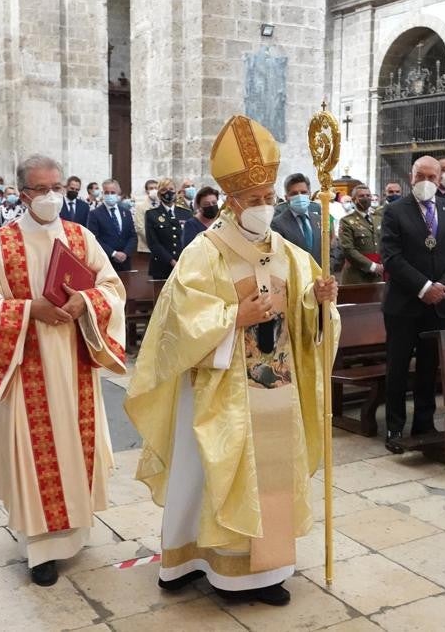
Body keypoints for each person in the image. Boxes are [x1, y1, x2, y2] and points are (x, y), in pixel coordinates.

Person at [126, 115, 337, 607]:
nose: (264, 206)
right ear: (231, 200)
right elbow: (179, 318)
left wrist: (319, 301)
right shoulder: (206, 251)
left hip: (276, 385)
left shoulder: (287, 251)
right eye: (254, 198)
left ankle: (265, 572)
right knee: (204, 472)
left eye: (269, 197)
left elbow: (308, 314)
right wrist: (234, 316)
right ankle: (188, 560)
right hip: (220, 385)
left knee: (273, 475)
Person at [0, 154, 126, 587]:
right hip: (26, 366)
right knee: (35, 458)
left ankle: (74, 533)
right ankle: (40, 549)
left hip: (74, 366)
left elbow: (112, 287)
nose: (53, 196)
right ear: (23, 194)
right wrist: (28, 310)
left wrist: (85, 303)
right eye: (42, 189)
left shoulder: (79, 236)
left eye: (58, 187)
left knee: (74, 447)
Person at [380, 156, 445, 448]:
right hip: (404, 304)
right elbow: (392, 257)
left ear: (440, 178)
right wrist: (424, 287)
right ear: (411, 177)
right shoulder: (395, 211)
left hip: (438, 303)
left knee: (429, 366)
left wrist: (442, 286)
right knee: (398, 365)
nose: (428, 182)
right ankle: (394, 427)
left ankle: (424, 423)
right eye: (423, 176)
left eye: (434, 177)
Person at [144, 178, 192, 279]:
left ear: (176, 191)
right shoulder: (152, 214)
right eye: (164, 190)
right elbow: (153, 243)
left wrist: (182, 261)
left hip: (184, 265)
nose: (168, 192)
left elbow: (191, 240)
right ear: (159, 194)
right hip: (162, 267)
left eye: (171, 189)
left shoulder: (186, 213)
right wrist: (171, 261)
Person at [270, 173, 323, 265]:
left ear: (309, 194)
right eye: (294, 193)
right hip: (295, 276)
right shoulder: (277, 224)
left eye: (303, 192)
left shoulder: (319, 220)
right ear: (287, 198)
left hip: (321, 275)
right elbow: (279, 256)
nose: (299, 196)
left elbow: (330, 247)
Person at [87, 179, 136, 271]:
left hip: (125, 262)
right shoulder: (95, 214)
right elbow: (94, 238)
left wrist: (125, 253)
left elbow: (132, 236)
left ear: (118, 193)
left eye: (112, 192)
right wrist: (113, 253)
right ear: (103, 193)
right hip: (106, 261)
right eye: (107, 192)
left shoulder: (126, 212)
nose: (109, 195)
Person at [338, 183, 383, 283]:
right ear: (354, 200)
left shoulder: (377, 219)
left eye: (368, 195)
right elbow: (348, 249)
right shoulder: (347, 221)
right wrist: (372, 266)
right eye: (361, 196)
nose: (366, 198)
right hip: (357, 275)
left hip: (378, 274)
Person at [133, 178, 159, 255]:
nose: (154, 190)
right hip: (146, 247)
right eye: (151, 188)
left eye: (156, 188)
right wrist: (154, 241)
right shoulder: (140, 206)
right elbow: (140, 228)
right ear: (146, 191)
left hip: (163, 247)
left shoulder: (162, 204)